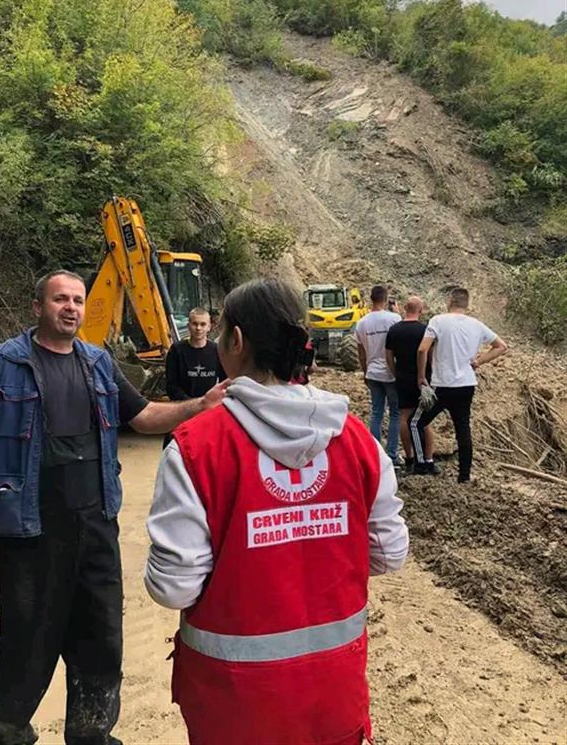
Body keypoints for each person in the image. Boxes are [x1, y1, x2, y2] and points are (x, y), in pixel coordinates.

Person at [0, 270, 228, 745]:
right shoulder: (2, 363)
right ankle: (10, 735)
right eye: (60, 299)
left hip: (96, 528)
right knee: (26, 645)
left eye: (77, 300)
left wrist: (201, 405)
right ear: (37, 307)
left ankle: (92, 736)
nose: (70, 307)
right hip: (29, 534)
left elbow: (144, 416)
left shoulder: (98, 363)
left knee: (101, 643)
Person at [145, 278, 408, 745]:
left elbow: (173, 587)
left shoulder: (195, 447)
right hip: (333, 698)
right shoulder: (357, 440)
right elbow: (389, 553)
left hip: (233, 706)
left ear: (236, 341)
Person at [410, 287, 507, 482]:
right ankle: (464, 476)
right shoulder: (476, 324)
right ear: (467, 304)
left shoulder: (438, 321)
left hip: (442, 385)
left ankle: (421, 464)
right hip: (467, 384)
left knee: (415, 422)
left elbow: (422, 350)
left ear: (449, 301)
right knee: (462, 428)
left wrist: (421, 377)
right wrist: (479, 361)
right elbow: (501, 346)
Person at [385, 296, 434, 473]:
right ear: (420, 311)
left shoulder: (394, 330)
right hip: (423, 378)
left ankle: (410, 458)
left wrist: (395, 372)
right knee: (425, 418)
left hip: (403, 377)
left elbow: (388, 355)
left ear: (405, 309)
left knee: (404, 418)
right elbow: (430, 354)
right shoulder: (425, 330)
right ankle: (428, 458)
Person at [354, 285, 401, 467]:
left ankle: (374, 455)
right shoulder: (394, 319)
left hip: (373, 372)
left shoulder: (362, 323)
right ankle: (392, 455)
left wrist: (365, 372)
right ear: (386, 298)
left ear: (370, 300)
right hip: (391, 373)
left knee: (376, 413)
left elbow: (361, 353)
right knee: (395, 414)